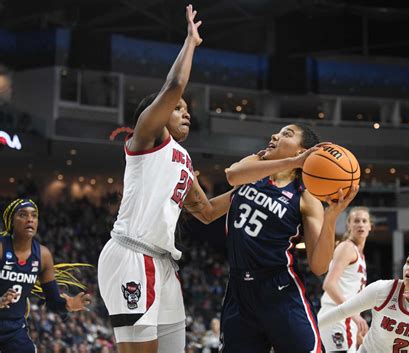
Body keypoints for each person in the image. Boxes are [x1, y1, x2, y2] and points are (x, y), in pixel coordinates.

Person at [97, 5, 231, 353]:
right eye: (177, 108)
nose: (185, 112)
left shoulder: (184, 159)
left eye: (187, 111)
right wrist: (190, 42)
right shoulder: (147, 139)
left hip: (163, 262)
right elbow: (174, 84)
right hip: (131, 254)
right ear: (155, 113)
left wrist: (255, 183)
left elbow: (206, 211)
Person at [219, 123, 359, 353]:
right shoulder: (254, 169)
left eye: (287, 134)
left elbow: (319, 266)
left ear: (301, 151)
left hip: (279, 289)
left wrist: (331, 216)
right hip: (238, 289)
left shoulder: (305, 196)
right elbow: (232, 175)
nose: (275, 135)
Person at [0, 198, 91, 353]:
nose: (30, 219)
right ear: (11, 221)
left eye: (34, 215)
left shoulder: (43, 255)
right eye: (22, 215)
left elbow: (53, 301)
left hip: (14, 328)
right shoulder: (2, 248)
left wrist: (67, 306)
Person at [318, 207, 372, 352]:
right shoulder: (347, 248)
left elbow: (351, 293)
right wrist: (354, 314)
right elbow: (329, 284)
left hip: (345, 318)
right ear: (349, 225)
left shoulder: (360, 256)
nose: (360, 224)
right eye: (356, 221)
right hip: (337, 315)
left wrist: (356, 329)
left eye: (364, 221)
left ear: (370, 226)